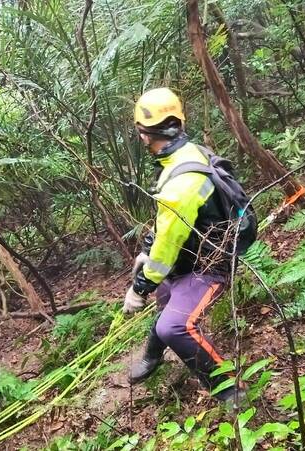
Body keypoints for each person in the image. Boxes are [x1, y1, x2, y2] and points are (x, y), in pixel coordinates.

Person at [123, 87, 245, 408]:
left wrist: (139, 288)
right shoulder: (187, 154)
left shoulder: (180, 181)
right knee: (165, 298)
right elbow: (168, 224)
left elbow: (167, 244)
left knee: (174, 325)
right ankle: (153, 354)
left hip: (209, 266)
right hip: (191, 256)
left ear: (144, 134)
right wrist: (146, 251)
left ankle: (227, 389)